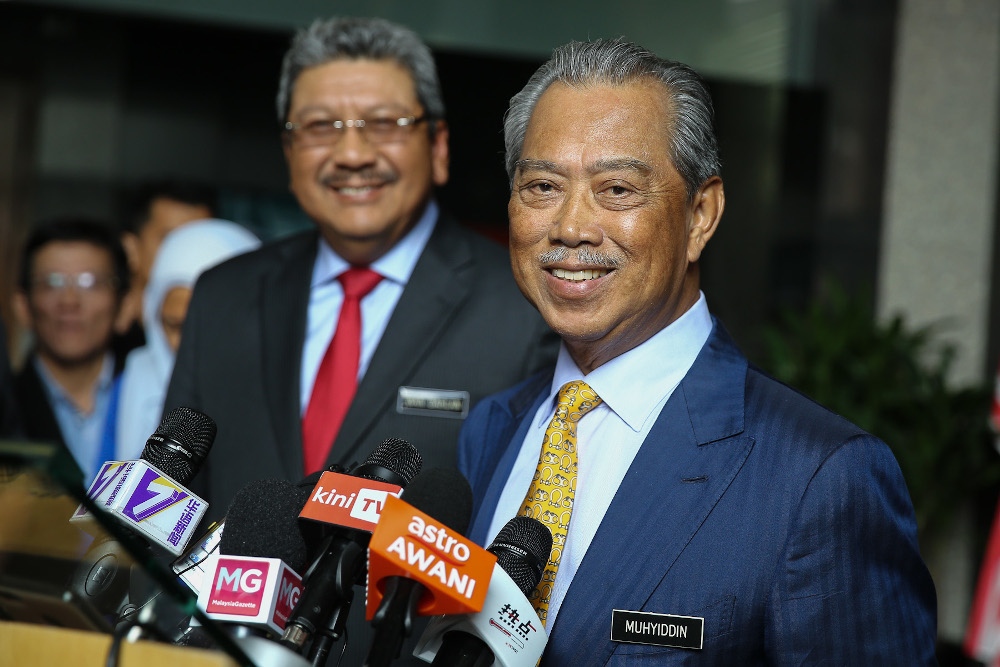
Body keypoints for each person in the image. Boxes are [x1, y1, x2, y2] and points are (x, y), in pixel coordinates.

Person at [459, 39, 937, 665]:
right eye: (543, 186)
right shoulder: (491, 430)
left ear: (701, 215)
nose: (572, 226)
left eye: (618, 190)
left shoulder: (821, 479)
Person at [164, 16, 556, 515]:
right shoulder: (225, 294)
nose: (352, 154)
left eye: (383, 123)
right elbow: (169, 499)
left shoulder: (524, 306)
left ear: (438, 148)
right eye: (321, 126)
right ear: (290, 153)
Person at [116, 219, 260, 456]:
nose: (186, 345)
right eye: (174, 326)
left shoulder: (283, 397)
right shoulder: (131, 378)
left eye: (203, 328)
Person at [13, 218, 130, 482]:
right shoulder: (7, 406)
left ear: (124, 306)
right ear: (22, 305)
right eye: (51, 282)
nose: (69, 301)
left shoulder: (155, 399)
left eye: (90, 283)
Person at [114, 180, 216, 350]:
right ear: (131, 248)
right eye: (170, 239)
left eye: (199, 241)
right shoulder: (103, 336)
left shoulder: (221, 332)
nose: (186, 252)